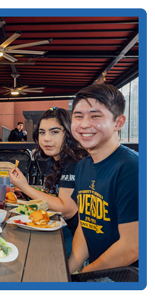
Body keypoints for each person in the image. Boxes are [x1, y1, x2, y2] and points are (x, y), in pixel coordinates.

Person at [68, 84, 138, 273]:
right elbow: (86, 225)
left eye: (95, 116)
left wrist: (83, 276)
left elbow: (132, 246)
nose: (84, 124)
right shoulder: (83, 166)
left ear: (118, 122)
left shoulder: (132, 167)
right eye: (78, 116)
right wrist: (67, 272)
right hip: (97, 273)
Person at [9, 107, 89, 255]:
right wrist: (27, 193)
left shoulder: (74, 162)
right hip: (59, 227)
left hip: (79, 239)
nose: (46, 138)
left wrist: (26, 187)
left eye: (54, 132)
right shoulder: (55, 159)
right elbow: (55, 196)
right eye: (42, 132)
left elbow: (67, 210)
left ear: (69, 133)